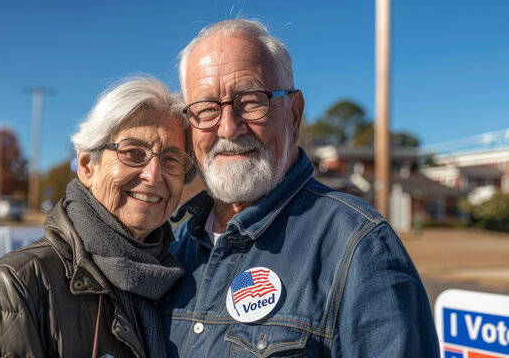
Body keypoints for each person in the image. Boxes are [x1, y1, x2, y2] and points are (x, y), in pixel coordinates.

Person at [158, 19, 440, 357]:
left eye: (250, 100)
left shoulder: (357, 245)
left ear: (294, 113)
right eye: (206, 110)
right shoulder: (175, 250)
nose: (229, 128)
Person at [0, 77, 194, 357]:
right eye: (133, 152)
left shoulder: (181, 280)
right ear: (86, 167)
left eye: (171, 159)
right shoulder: (16, 288)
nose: (154, 175)